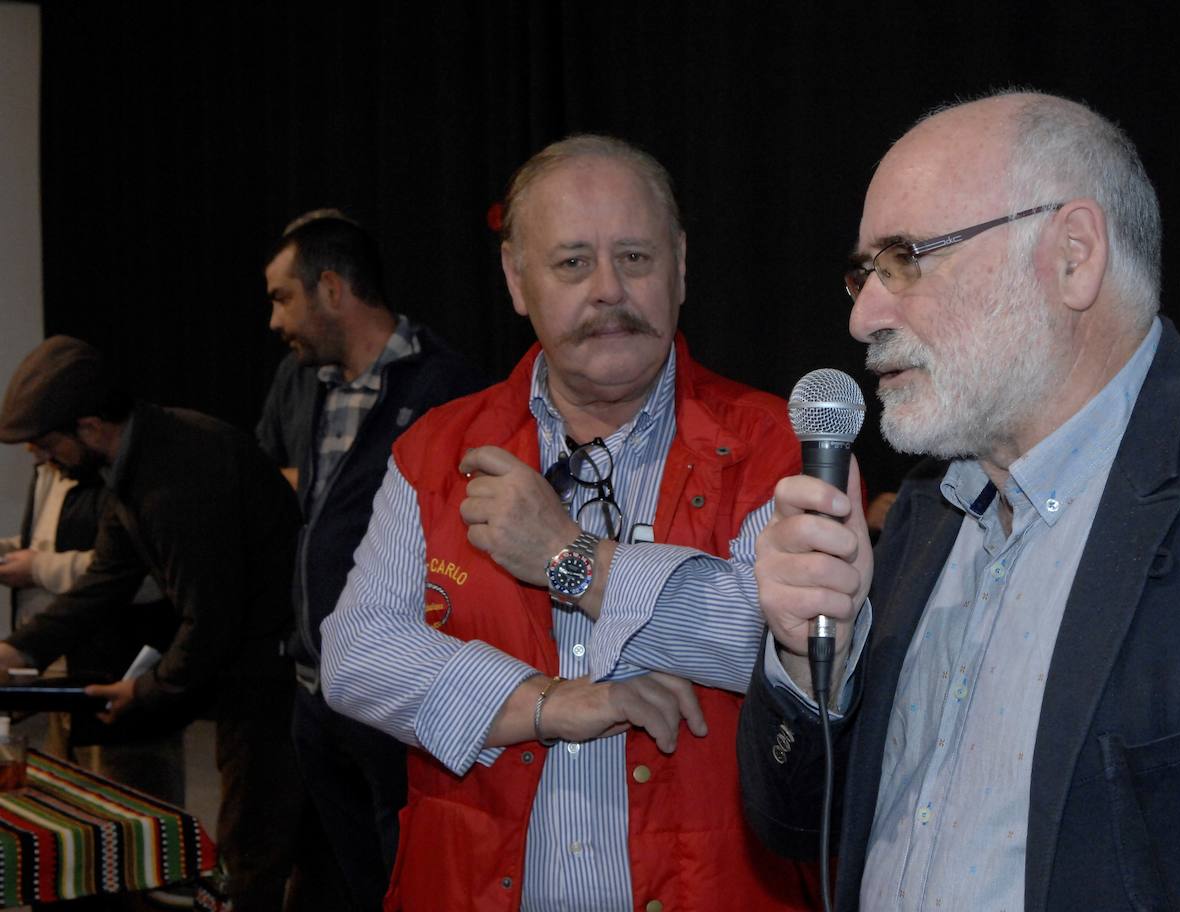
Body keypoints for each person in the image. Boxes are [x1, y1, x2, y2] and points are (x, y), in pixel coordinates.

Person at [737, 90, 1180, 911]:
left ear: (1073, 255)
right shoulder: (924, 518)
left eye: (907, 259)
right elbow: (795, 830)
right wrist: (804, 662)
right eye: (863, 273)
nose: (864, 316)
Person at [321, 135, 812, 911]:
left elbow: (786, 647)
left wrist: (567, 556)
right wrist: (545, 703)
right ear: (518, 280)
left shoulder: (780, 442)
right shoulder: (438, 447)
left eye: (637, 259)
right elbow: (355, 655)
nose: (609, 290)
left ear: (681, 265)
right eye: (574, 263)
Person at [0, 336, 304, 912]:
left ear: (89, 426)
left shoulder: (179, 476)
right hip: (246, 665)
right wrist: (15, 650)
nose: (42, 460)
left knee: (253, 853)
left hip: (279, 676)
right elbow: (105, 581)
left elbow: (211, 622)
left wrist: (145, 691)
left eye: (45, 445)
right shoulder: (135, 462)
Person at [256, 209, 485, 911]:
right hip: (311, 691)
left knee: (412, 874)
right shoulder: (299, 382)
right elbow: (270, 483)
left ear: (331, 288)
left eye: (281, 297)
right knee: (351, 878)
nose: (274, 321)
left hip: (394, 697)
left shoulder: (447, 387)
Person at [0, 453, 183, 803]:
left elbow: (139, 573)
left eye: (42, 438)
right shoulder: (51, 470)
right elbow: (45, 545)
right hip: (65, 675)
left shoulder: (122, 476)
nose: (30, 448)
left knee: (132, 811)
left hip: (120, 671)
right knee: (68, 808)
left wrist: (40, 568)